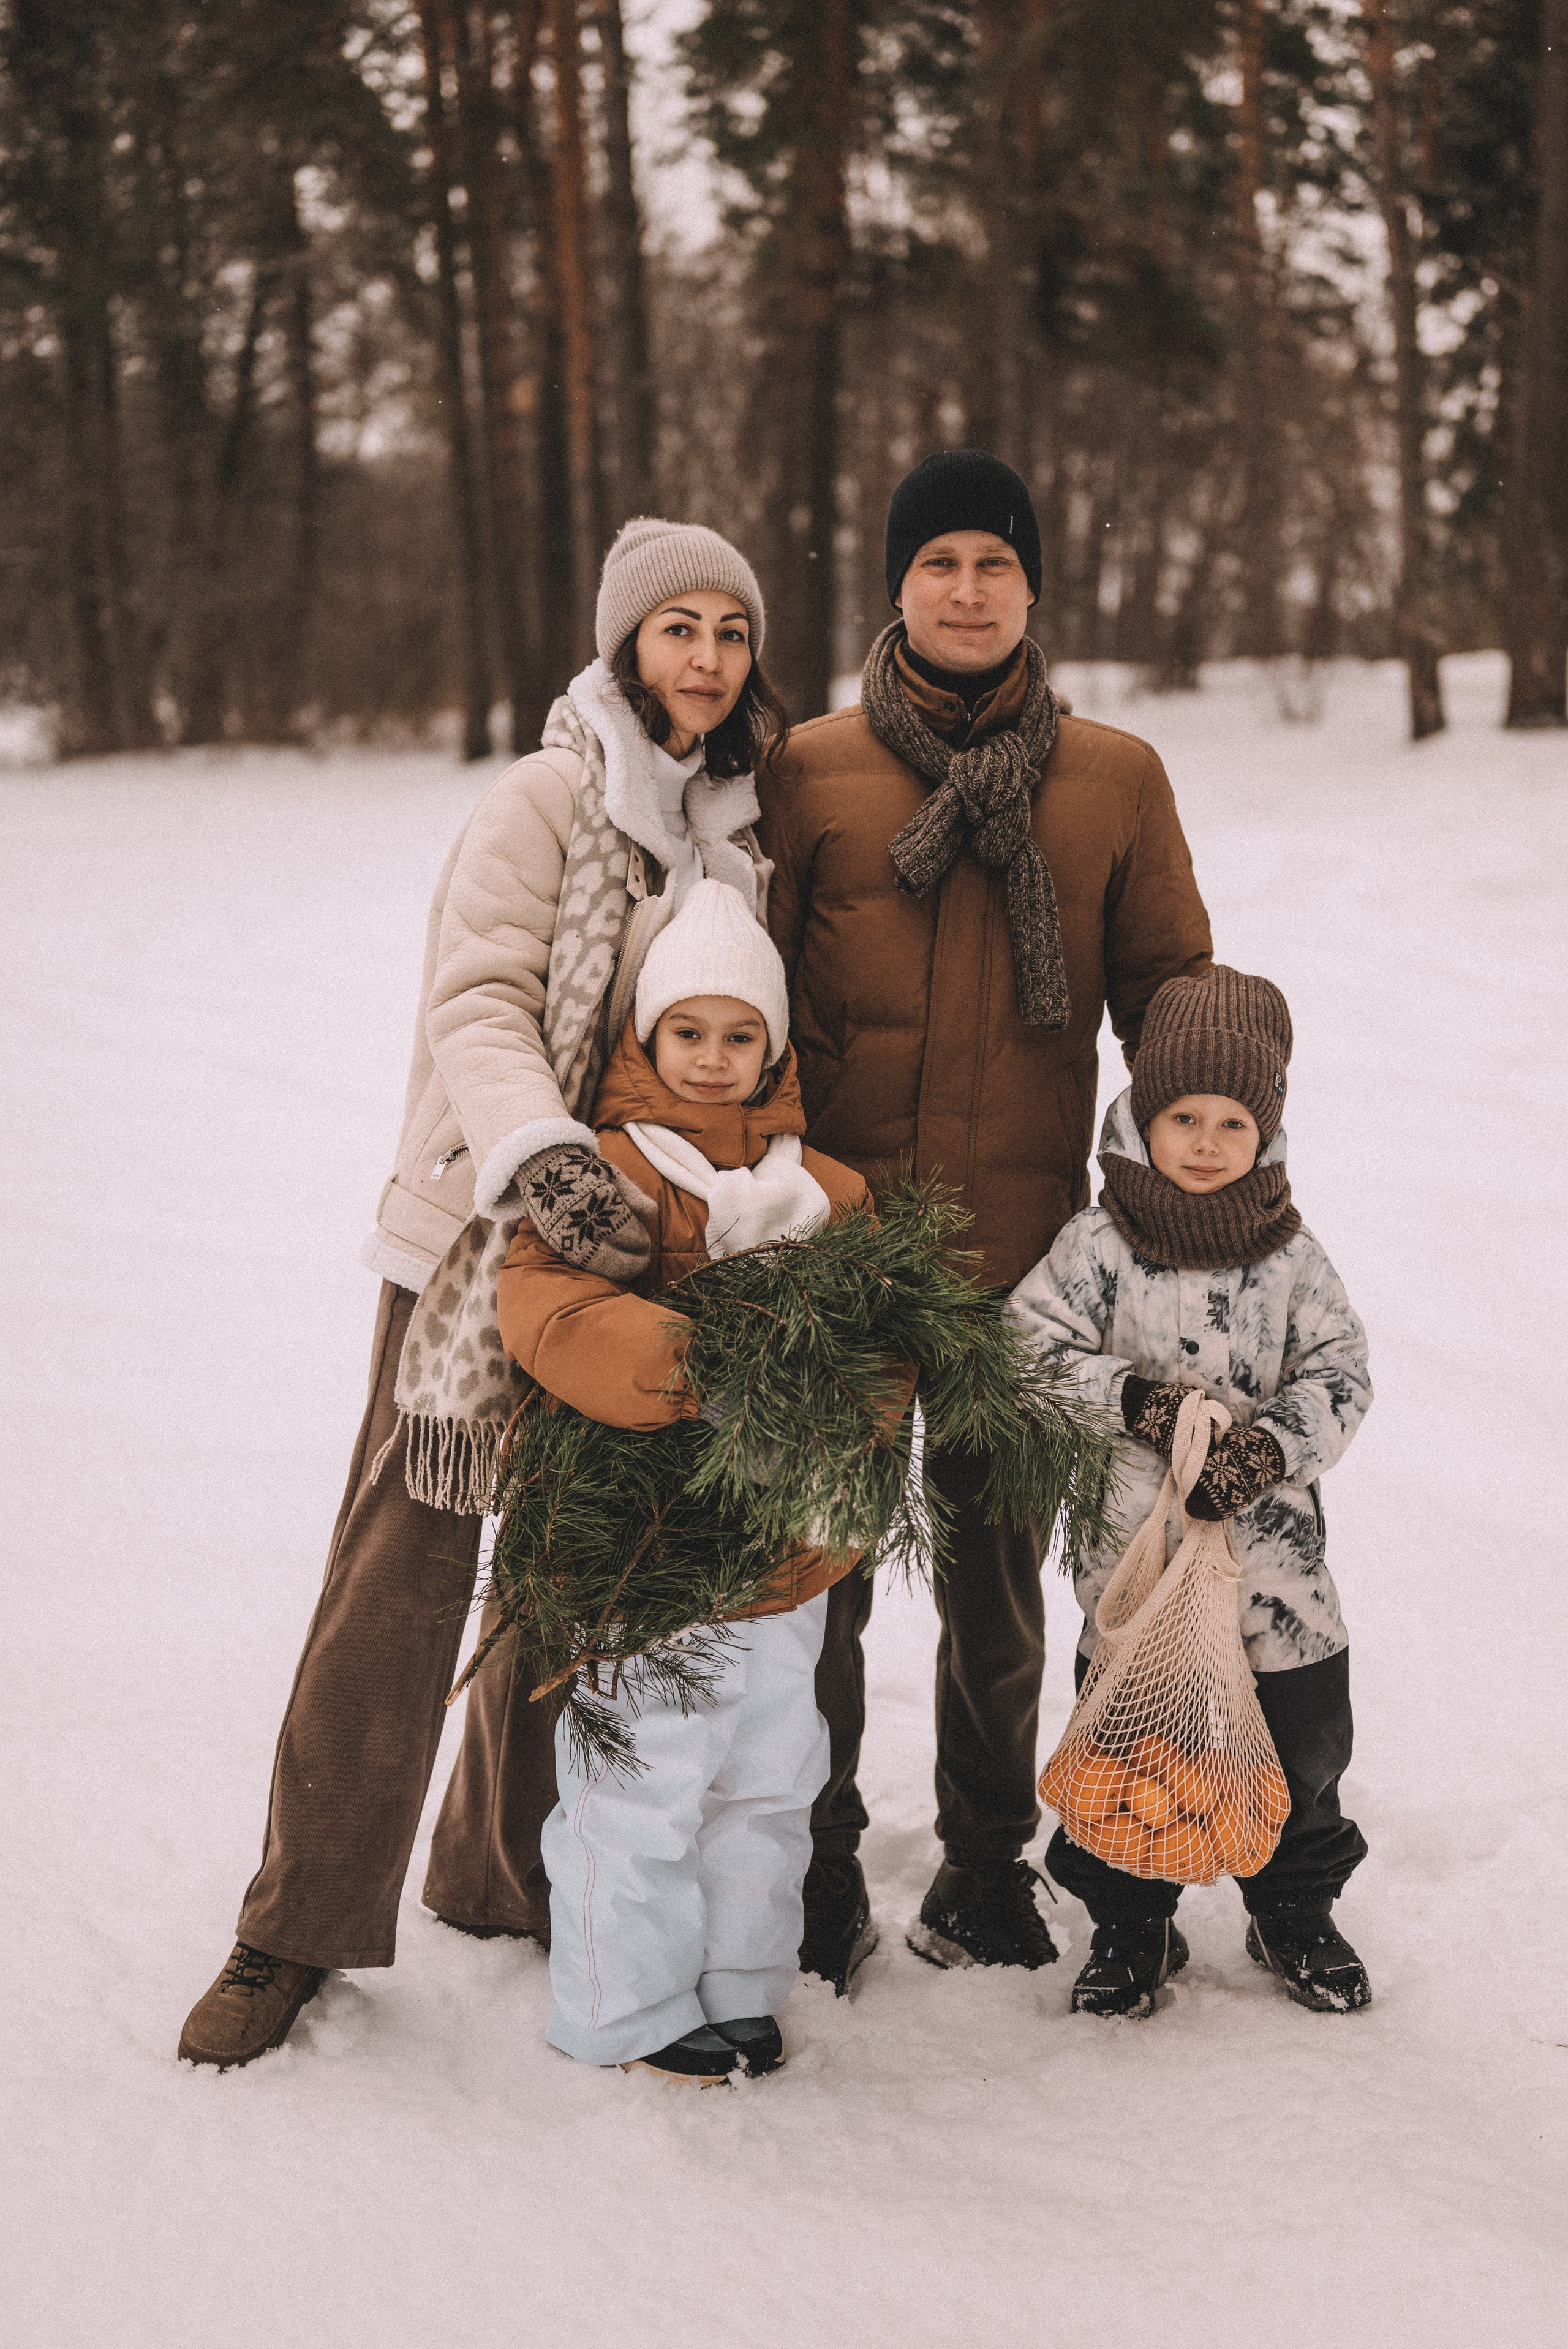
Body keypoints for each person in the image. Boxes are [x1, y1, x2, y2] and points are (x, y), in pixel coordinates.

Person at [179, 521, 786, 2070]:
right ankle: (290, 1927)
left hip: (641, 1258)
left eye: (728, 628)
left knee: (573, 1564)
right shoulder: (546, 796)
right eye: (677, 629)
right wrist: (546, 1162)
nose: (705, 655)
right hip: (481, 1243)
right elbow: (479, 995)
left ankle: (501, 1870)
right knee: (399, 1574)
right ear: (622, 647)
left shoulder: (734, 832)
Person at [761, 450, 1214, 1988]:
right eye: (938, 560)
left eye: (993, 564)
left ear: (1032, 589)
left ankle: (977, 1866)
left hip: (1022, 1264)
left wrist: (1209, 1170)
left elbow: (1169, 1012)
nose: (966, 589)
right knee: (811, 1574)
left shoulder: (1112, 780)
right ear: (896, 582)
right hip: (829, 1254)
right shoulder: (806, 770)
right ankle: (815, 1866)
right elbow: (737, 1005)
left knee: (994, 1586)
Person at [496, 881, 880, 2083]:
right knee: (643, 1772)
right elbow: (549, 1306)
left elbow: (887, 1337)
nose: (711, 1060)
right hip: (646, 1537)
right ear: (646, 1038)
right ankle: (626, 1997)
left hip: (783, 1542)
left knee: (768, 1774)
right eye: (686, 1033)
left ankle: (737, 1976)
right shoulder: (609, 1172)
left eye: (737, 1035)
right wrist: (704, 1364)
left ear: (770, 1046)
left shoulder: (827, 1191)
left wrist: (845, 1414)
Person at [1006, 965, 1374, 2016]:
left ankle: (1293, 1909)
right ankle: (1132, 1925)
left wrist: (1268, 1450)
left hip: (1276, 1586)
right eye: (1182, 1117)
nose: (1207, 1142)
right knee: (1135, 1755)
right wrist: (1135, 1405)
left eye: (1231, 1121)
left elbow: (1340, 1375)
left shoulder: (1293, 1259)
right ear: (1141, 1117)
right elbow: (1027, 1347)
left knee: (1302, 1749)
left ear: (1266, 1132)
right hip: (1140, 1578)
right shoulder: (1098, 1248)